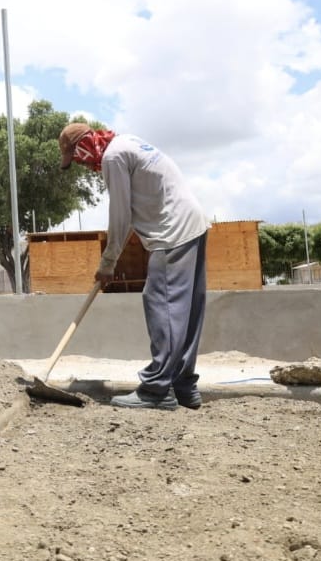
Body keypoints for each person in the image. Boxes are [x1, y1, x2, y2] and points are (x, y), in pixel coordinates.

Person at [59, 123, 209, 411]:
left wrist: (108, 262)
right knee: (187, 312)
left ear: (83, 146)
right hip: (194, 223)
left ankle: (156, 390)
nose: (83, 165)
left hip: (172, 231)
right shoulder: (128, 142)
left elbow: (120, 215)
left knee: (161, 303)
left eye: (77, 158)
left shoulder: (112, 158)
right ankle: (184, 386)